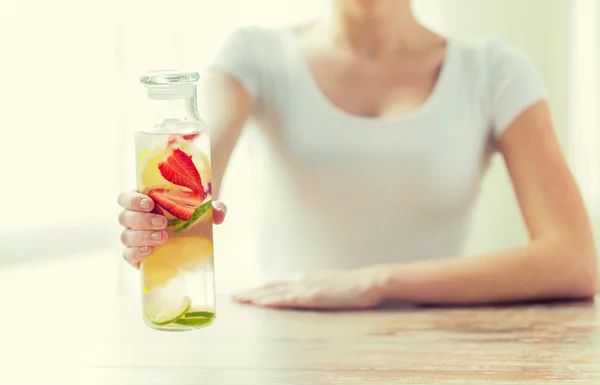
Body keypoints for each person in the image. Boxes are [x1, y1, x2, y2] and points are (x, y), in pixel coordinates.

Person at [117, 0, 597, 309]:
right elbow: (189, 181)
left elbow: (574, 260)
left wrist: (375, 282)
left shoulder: (495, 70)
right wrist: (155, 223)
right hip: (291, 344)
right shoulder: (255, 53)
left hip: (436, 349)